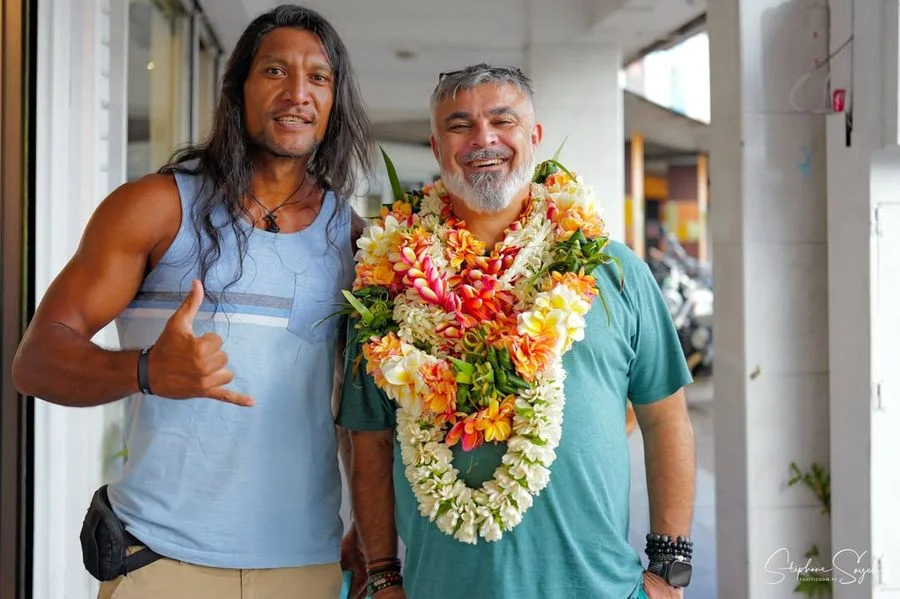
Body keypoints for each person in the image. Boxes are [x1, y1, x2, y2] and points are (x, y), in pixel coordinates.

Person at [13, 4, 372, 598]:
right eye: (275, 72)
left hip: (301, 565)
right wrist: (147, 369)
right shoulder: (155, 208)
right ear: (238, 89)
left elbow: (357, 413)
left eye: (319, 76)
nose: (298, 92)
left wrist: (369, 532)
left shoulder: (353, 241)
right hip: (160, 561)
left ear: (335, 102)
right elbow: (36, 362)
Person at [338, 63, 696, 598]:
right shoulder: (387, 285)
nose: (483, 138)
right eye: (459, 125)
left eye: (501, 120)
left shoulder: (613, 270)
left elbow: (665, 417)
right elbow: (370, 439)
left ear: (534, 137)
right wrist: (386, 576)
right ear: (437, 149)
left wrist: (669, 570)